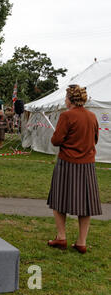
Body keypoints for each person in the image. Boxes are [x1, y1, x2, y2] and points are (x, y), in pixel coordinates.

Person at [47, 84, 102, 254]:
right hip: (87, 165)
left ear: (70, 99)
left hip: (67, 163)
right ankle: (81, 242)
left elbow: (56, 140)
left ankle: (61, 237)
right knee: (86, 204)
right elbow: (95, 139)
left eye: (65, 97)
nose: (64, 100)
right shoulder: (92, 116)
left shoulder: (66, 115)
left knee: (59, 199)